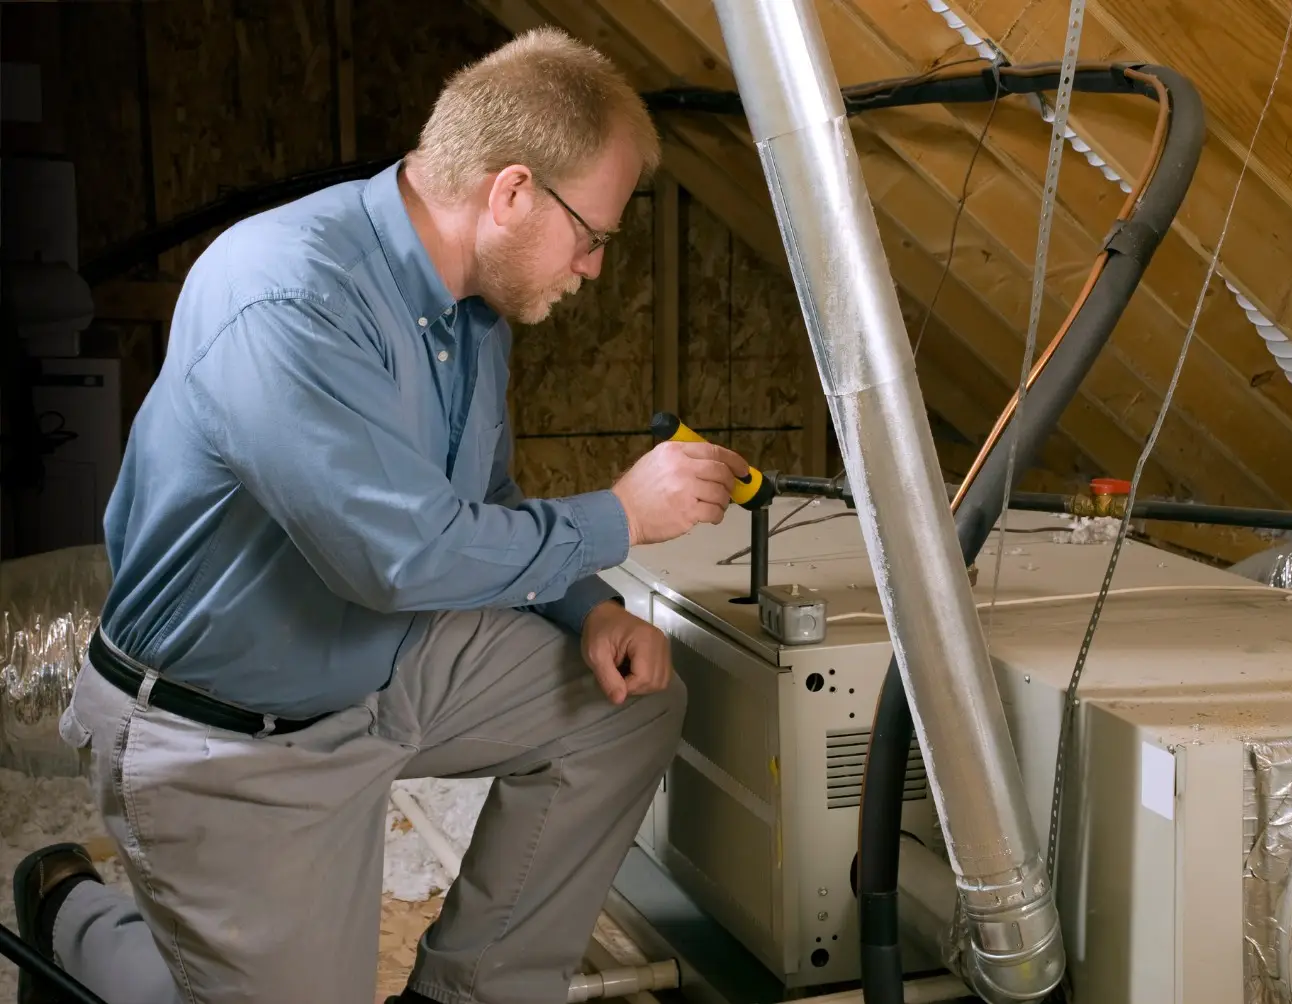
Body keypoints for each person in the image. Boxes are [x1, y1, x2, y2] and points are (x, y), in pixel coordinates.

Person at [11, 27, 749, 1004]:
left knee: (628, 706)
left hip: (379, 664)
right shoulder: (287, 293)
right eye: (595, 235)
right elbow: (397, 558)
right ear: (513, 192)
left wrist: (591, 610)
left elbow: (481, 510)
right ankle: (74, 908)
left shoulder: (471, 309)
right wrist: (621, 514)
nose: (596, 267)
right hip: (226, 737)